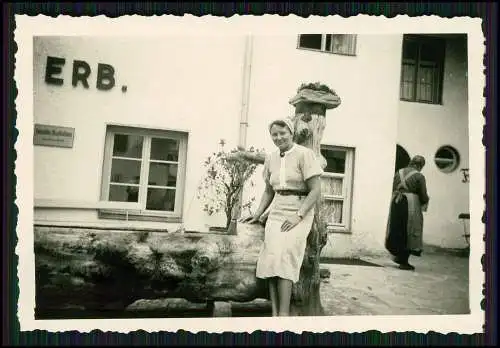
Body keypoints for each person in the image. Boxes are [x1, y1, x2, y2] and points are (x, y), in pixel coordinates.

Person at [240, 117, 323, 316]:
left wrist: (298, 216)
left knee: (285, 258)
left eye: (282, 133)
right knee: (271, 257)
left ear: (291, 132)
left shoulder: (305, 155)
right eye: (274, 134)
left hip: (299, 210)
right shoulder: (271, 158)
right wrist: (257, 214)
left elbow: (315, 190)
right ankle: (275, 312)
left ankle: (284, 315)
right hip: (277, 211)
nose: (278, 138)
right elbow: (269, 191)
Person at [385, 155, 430, 271]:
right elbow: (423, 195)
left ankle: (397, 256)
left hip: (396, 202)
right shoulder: (419, 176)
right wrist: (425, 201)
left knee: (396, 228)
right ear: (420, 165)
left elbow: (393, 187)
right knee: (410, 231)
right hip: (410, 204)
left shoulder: (398, 172)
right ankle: (404, 261)